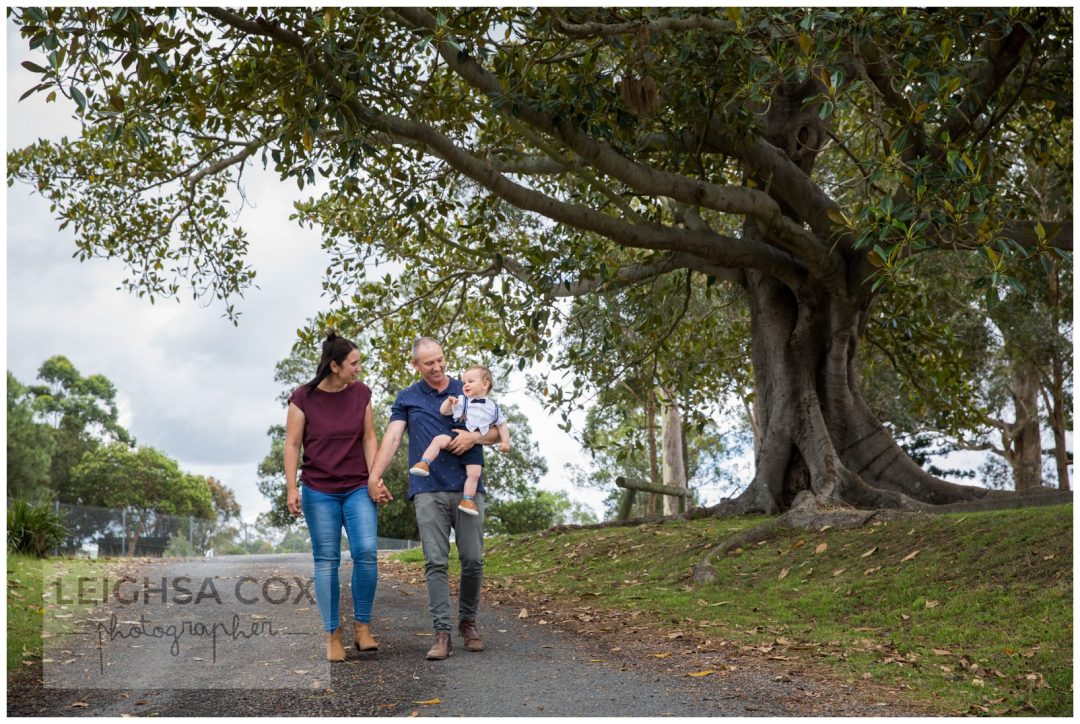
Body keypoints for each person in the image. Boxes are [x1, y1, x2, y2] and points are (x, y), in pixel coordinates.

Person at [368, 337, 500, 660]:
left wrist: (474, 436)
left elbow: (497, 429)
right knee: (435, 562)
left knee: (473, 559)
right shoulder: (407, 398)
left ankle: (467, 622)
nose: (438, 367)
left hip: (467, 487)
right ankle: (442, 633)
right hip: (427, 489)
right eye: (429, 363)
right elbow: (394, 437)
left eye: (441, 360)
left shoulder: (466, 387)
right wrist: (374, 475)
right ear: (416, 365)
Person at [285, 332, 394, 662]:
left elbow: (370, 438)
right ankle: (332, 633)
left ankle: (362, 627)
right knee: (327, 560)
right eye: (354, 363)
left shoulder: (361, 393)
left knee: (365, 552)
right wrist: (292, 487)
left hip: (358, 486)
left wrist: (375, 478)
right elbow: (292, 445)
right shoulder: (303, 398)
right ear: (334, 366)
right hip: (319, 490)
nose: (359, 368)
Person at [409, 364, 511, 516]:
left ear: (485, 384)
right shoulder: (462, 400)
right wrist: (449, 402)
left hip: (475, 442)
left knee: (474, 473)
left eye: (471, 381)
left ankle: (468, 499)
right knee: (439, 440)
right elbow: (443, 411)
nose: (466, 384)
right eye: (464, 382)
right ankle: (424, 463)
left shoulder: (493, 408)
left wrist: (505, 442)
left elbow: (502, 426)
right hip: (457, 431)